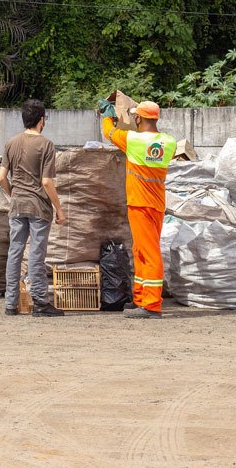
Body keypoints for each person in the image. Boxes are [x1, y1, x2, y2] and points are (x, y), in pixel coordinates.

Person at [98, 98, 176, 318]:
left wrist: (107, 114)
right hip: (156, 205)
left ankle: (151, 305)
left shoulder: (133, 140)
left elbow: (109, 132)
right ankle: (140, 297)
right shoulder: (168, 142)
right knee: (140, 250)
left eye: (135, 116)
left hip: (140, 204)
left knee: (149, 253)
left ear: (139, 118)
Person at [0, 99, 67, 317]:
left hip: (17, 206)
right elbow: (47, 182)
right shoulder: (46, 145)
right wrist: (60, 209)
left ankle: (11, 304)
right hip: (39, 208)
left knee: (15, 252)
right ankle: (40, 303)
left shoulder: (11, 143)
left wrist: (14, 194)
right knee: (36, 255)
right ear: (41, 120)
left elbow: (1, 177)